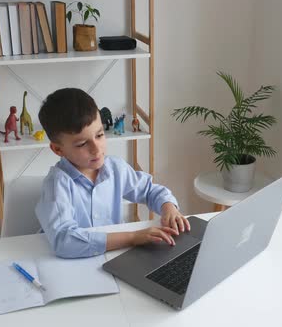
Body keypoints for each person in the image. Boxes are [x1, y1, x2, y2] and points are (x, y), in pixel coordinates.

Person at [35, 88, 191, 258]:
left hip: (114, 256)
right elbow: (64, 241)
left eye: (100, 135)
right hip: (73, 264)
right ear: (58, 149)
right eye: (81, 144)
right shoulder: (57, 184)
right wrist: (132, 237)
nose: (96, 149)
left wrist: (168, 208)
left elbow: (149, 190)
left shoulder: (115, 168)